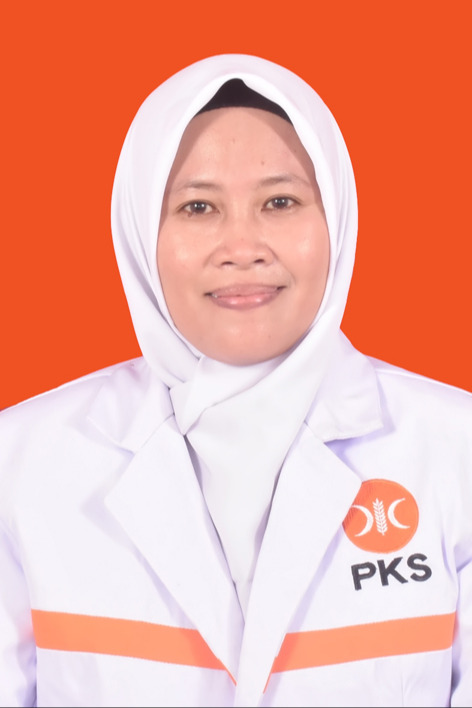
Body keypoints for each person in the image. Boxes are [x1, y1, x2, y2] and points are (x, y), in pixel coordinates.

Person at [0, 53, 470, 708]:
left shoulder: (455, 451)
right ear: (139, 231)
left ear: (336, 219)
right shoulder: (20, 463)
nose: (242, 247)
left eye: (280, 202)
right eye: (198, 207)